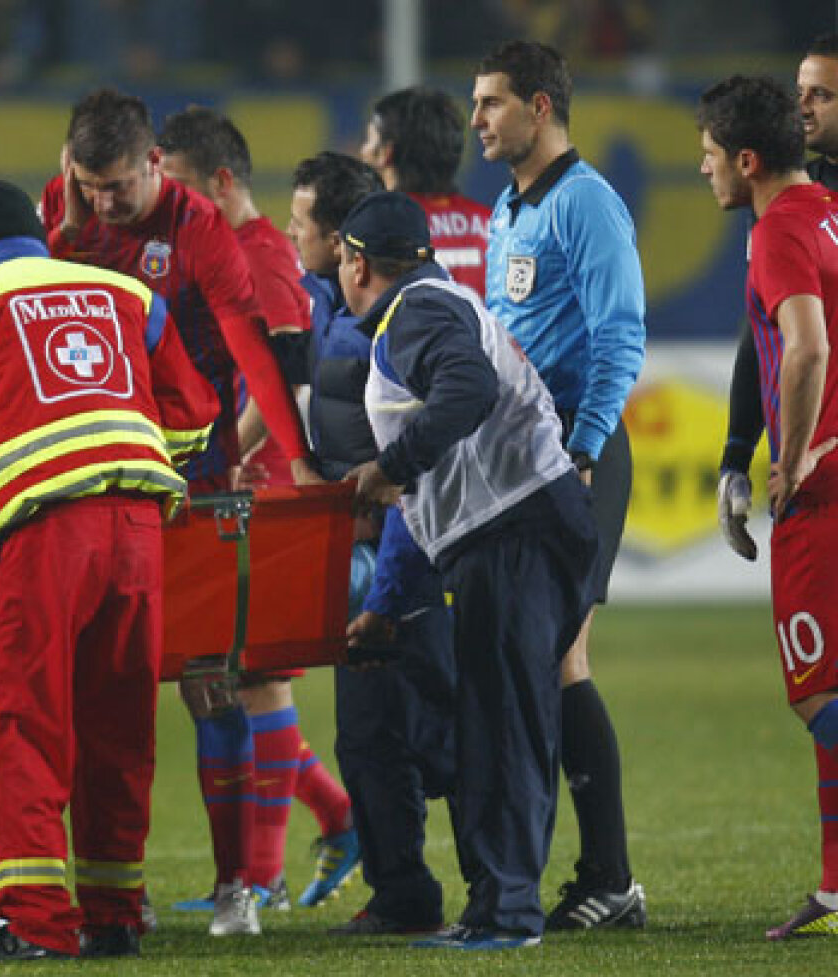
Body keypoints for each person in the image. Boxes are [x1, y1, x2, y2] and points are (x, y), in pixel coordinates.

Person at [0, 180, 219, 962]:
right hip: (140, 529)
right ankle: (114, 914)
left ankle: (38, 921)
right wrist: (133, 461)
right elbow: (194, 414)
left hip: (47, 535)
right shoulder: (126, 295)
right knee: (121, 724)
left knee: (29, 721)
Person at [40, 88, 318, 937]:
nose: (102, 204)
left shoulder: (199, 231)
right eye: (88, 185)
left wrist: (297, 458)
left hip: (189, 472)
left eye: (117, 186)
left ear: (155, 163)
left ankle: (239, 885)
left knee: (210, 680)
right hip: (89, 469)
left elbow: (250, 349)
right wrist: (64, 221)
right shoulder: (66, 210)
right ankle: (111, 889)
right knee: (92, 688)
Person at [343, 190, 598, 950]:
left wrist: (392, 463)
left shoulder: (415, 313)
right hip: (517, 524)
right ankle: (496, 905)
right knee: (498, 715)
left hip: (516, 526)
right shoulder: (439, 300)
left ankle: (509, 912)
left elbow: (470, 390)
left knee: (506, 722)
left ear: (357, 264)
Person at [157, 106, 357, 911]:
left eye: (176, 186)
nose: (167, 203)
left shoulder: (261, 255)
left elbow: (288, 375)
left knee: (254, 681)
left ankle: (262, 875)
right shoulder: (211, 250)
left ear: (221, 181)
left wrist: (228, 447)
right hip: (230, 485)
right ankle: (335, 822)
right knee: (230, 677)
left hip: (263, 488)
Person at [470, 40, 647, 930]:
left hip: (578, 454)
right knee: (545, 658)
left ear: (541, 107)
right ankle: (601, 876)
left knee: (561, 655)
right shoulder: (510, 210)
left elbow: (620, 336)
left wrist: (581, 446)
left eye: (492, 103)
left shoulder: (586, 203)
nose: (478, 120)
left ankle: (610, 876)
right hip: (525, 460)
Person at [283, 151, 456, 936]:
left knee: (404, 725)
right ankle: (408, 888)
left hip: (396, 542)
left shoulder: (373, 330)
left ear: (346, 243)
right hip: (371, 543)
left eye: (301, 224)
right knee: (380, 724)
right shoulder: (329, 306)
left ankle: (449, 886)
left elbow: (386, 452)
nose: (291, 236)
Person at [698, 73, 838, 941]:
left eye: (709, 156)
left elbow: (806, 346)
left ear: (747, 161)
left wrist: (785, 461)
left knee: (818, 690)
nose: (702, 170)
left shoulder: (780, 229)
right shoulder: (827, 208)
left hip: (822, 492)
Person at [718, 33, 838, 562]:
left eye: (821, 95)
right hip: (813, 466)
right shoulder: (789, 201)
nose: (803, 108)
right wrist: (738, 451)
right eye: (800, 92)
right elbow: (764, 333)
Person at [359, 85, 492, 297]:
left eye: (369, 140)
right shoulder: (493, 224)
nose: (362, 151)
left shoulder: (377, 232)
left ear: (386, 153)